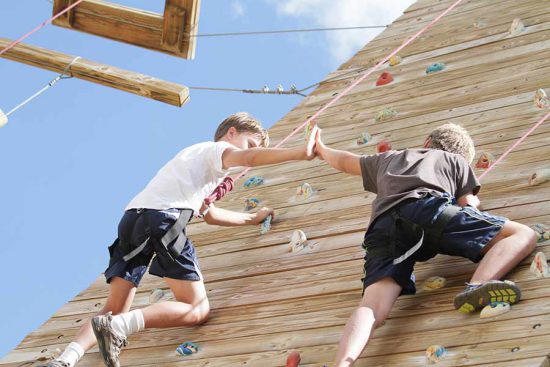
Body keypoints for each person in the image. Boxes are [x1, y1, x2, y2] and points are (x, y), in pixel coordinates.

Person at [43, 112, 316, 367]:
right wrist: (299, 153)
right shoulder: (217, 151)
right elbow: (251, 158)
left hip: (133, 219)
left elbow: (209, 215)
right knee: (196, 308)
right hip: (163, 219)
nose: (247, 151)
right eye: (249, 142)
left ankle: (66, 359)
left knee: (114, 308)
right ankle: (117, 328)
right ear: (231, 133)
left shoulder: (193, 162)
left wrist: (252, 218)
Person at [309, 123, 537, 367]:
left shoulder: (390, 158)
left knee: (372, 307)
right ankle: (477, 285)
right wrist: (476, 203)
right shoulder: (455, 161)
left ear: (427, 141)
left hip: (383, 229)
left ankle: (341, 364)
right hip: (428, 211)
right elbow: (467, 205)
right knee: (522, 234)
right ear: (461, 156)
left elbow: (345, 161)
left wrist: (320, 148)